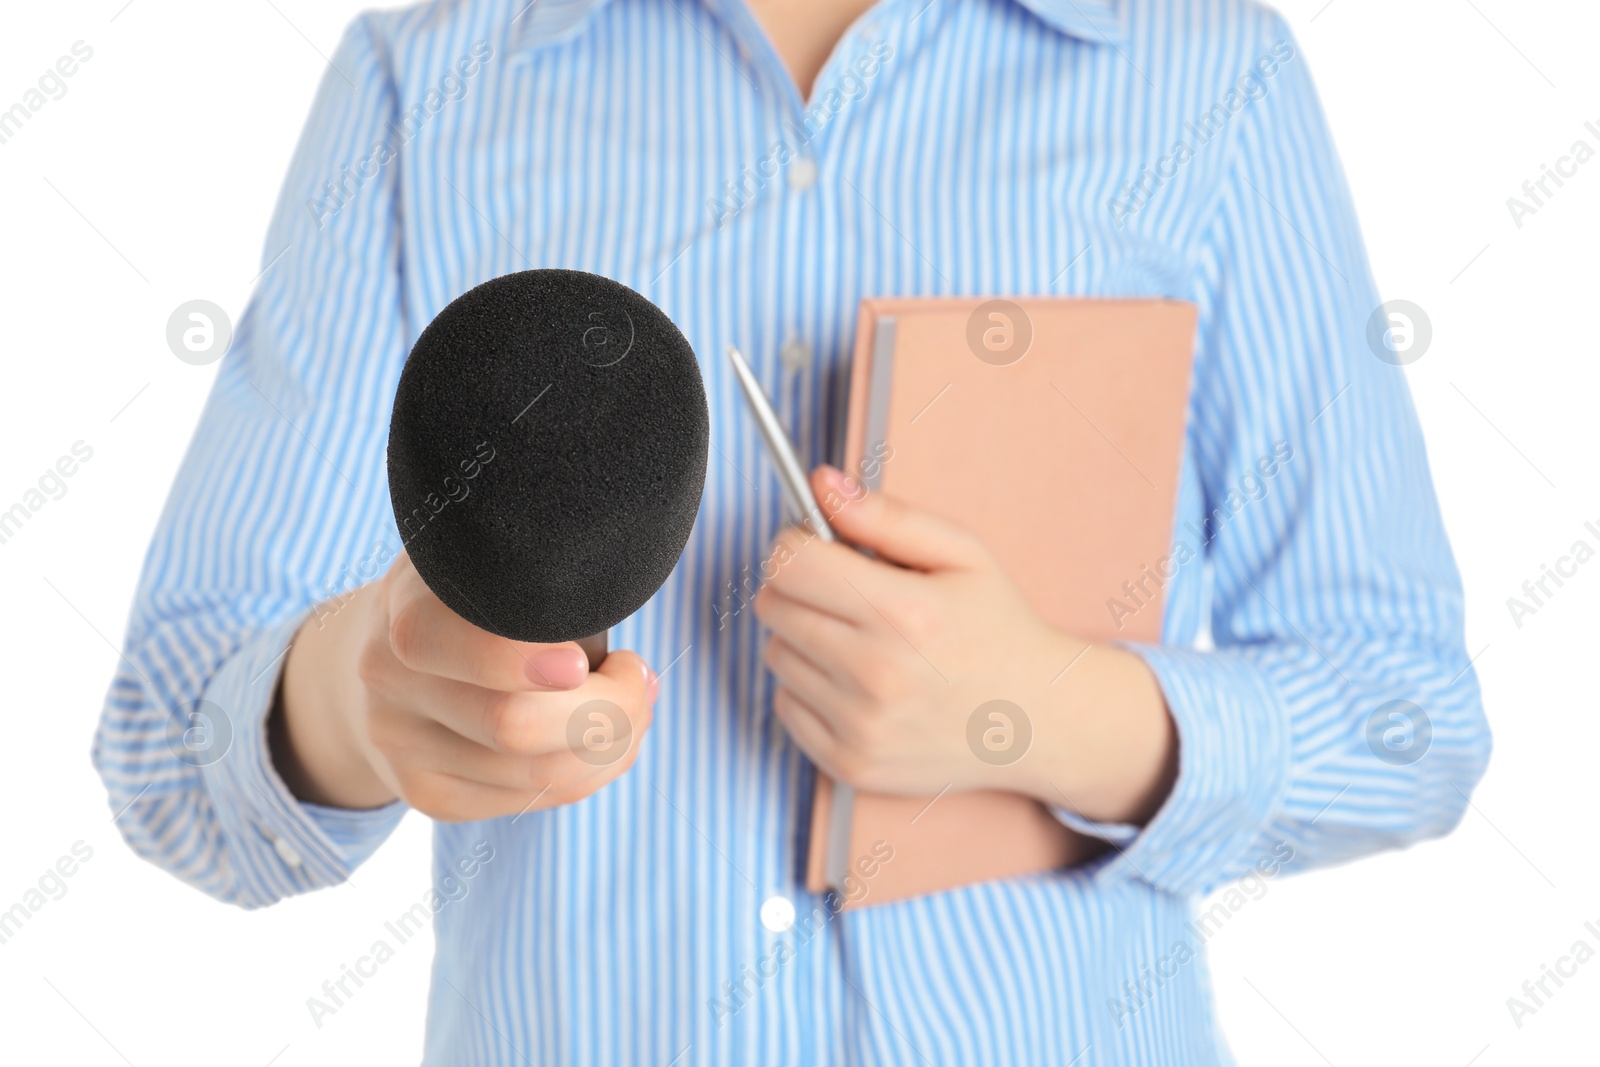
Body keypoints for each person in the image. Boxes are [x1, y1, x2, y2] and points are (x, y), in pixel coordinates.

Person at [93, 0, 1491, 1062]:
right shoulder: (432, 76)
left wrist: (1043, 711)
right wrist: (359, 701)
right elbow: (169, 746)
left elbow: (1409, 714)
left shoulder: (1204, 69)